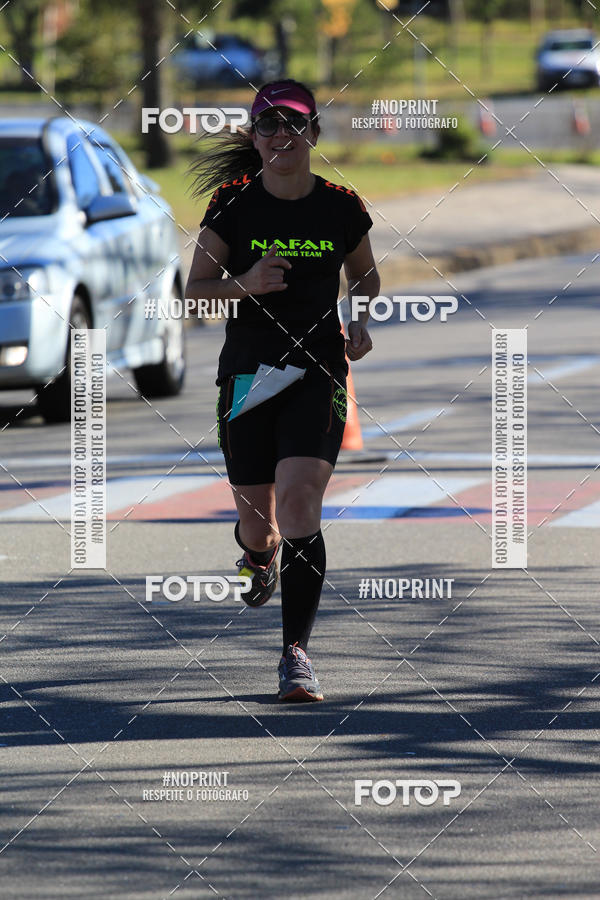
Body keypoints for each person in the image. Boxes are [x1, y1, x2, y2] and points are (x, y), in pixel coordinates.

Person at [185, 79, 380, 702]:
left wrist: (360, 320)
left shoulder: (341, 205)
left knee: (299, 505)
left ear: (314, 133)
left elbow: (367, 277)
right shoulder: (232, 203)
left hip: (318, 371)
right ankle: (257, 556)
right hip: (249, 375)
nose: (281, 135)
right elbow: (194, 293)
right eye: (267, 125)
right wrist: (244, 283)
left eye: (293, 123)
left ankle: (295, 653)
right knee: (260, 524)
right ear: (255, 137)